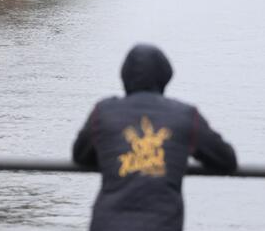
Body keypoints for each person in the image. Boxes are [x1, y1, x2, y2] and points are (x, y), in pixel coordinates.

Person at [72, 43, 237, 231]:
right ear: (164, 78)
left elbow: (80, 155)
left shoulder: (103, 112)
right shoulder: (185, 115)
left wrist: (115, 157)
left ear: (124, 77)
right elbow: (226, 160)